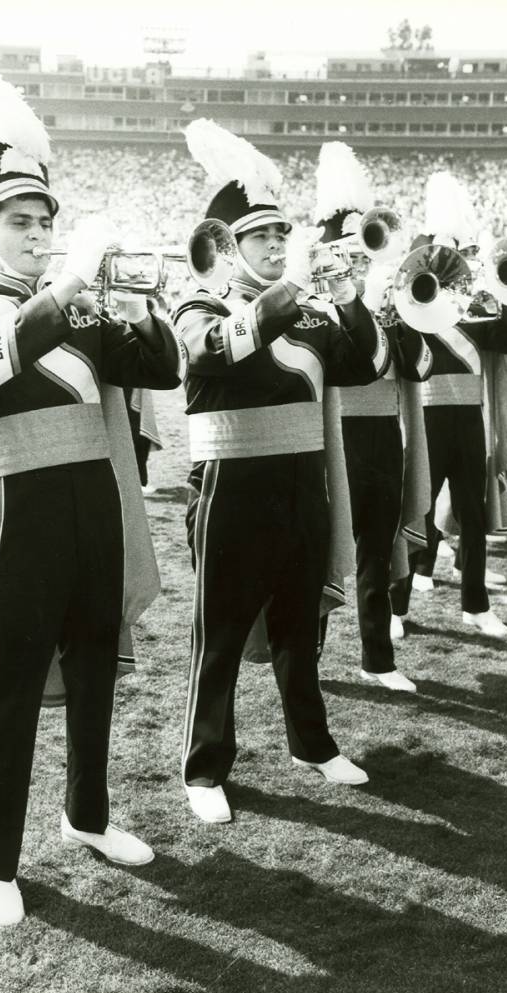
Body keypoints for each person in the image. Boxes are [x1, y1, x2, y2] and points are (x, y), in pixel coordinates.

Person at [0, 69, 183, 928]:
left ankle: (88, 815)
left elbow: (162, 369)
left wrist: (141, 305)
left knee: (93, 681)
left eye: (46, 223)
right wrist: (69, 287)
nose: (38, 235)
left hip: (95, 512)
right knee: (4, 693)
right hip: (20, 521)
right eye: (21, 224)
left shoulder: (80, 314)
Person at [174, 120, 389, 825]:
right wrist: (294, 284)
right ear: (229, 247)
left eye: (278, 237)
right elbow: (215, 351)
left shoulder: (310, 312)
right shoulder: (201, 305)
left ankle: (312, 743)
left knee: (301, 629)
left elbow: (368, 368)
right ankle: (204, 768)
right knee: (222, 637)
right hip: (230, 491)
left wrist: (355, 289)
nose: (273, 247)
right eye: (259, 239)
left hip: (301, 488)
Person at [312, 142, 432, 693]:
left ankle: (377, 659)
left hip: (383, 436)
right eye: (348, 254)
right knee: (314, 549)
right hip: (329, 437)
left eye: (364, 255)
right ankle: (304, 655)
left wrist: (406, 313)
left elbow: (419, 370)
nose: (360, 264)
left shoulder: (388, 304)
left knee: (376, 553)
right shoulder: (312, 308)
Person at [389, 172, 507, 639]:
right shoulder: (412, 310)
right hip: (425, 423)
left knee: (473, 512)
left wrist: (500, 295)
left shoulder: (476, 311)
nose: (449, 276)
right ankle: (396, 608)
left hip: (468, 422)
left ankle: (475, 606)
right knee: (419, 514)